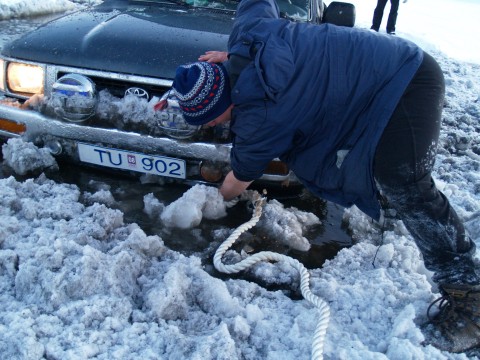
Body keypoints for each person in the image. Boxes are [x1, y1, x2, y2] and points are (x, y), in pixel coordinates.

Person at [170, 0, 480, 353]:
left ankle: (469, 292)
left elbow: (238, 178)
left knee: (403, 182)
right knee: (388, 173)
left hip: (408, 81)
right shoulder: (248, 33)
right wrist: (236, 56)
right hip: (382, 75)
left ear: (224, 103)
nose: (214, 127)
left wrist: (208, 202)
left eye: (211, 121)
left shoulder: (261, 115)